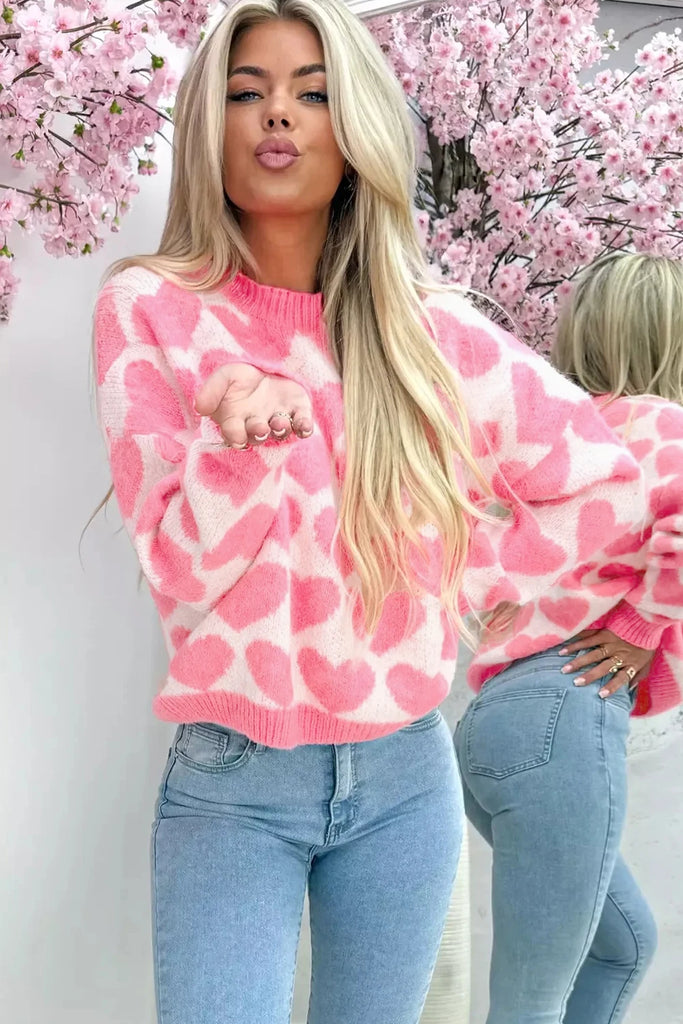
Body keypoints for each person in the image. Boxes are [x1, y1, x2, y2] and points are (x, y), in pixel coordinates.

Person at [93, 3, 644, 1021]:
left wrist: (451, 577)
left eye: (312, 94)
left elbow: (604, 482)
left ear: (354, 130)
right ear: (208, 122)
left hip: (404, 774)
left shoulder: (427, 332)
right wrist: (239, 446)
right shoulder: (153, 309)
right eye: (247, 92)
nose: (278, 114)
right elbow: (178, 567)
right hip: (233, 778)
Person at [456, 251, 683, 1024]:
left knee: (624, 944)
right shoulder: (667, 425)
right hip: (565, 715)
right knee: (529, 1006)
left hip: (490, 724)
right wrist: (638, 626)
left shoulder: (553, 437)